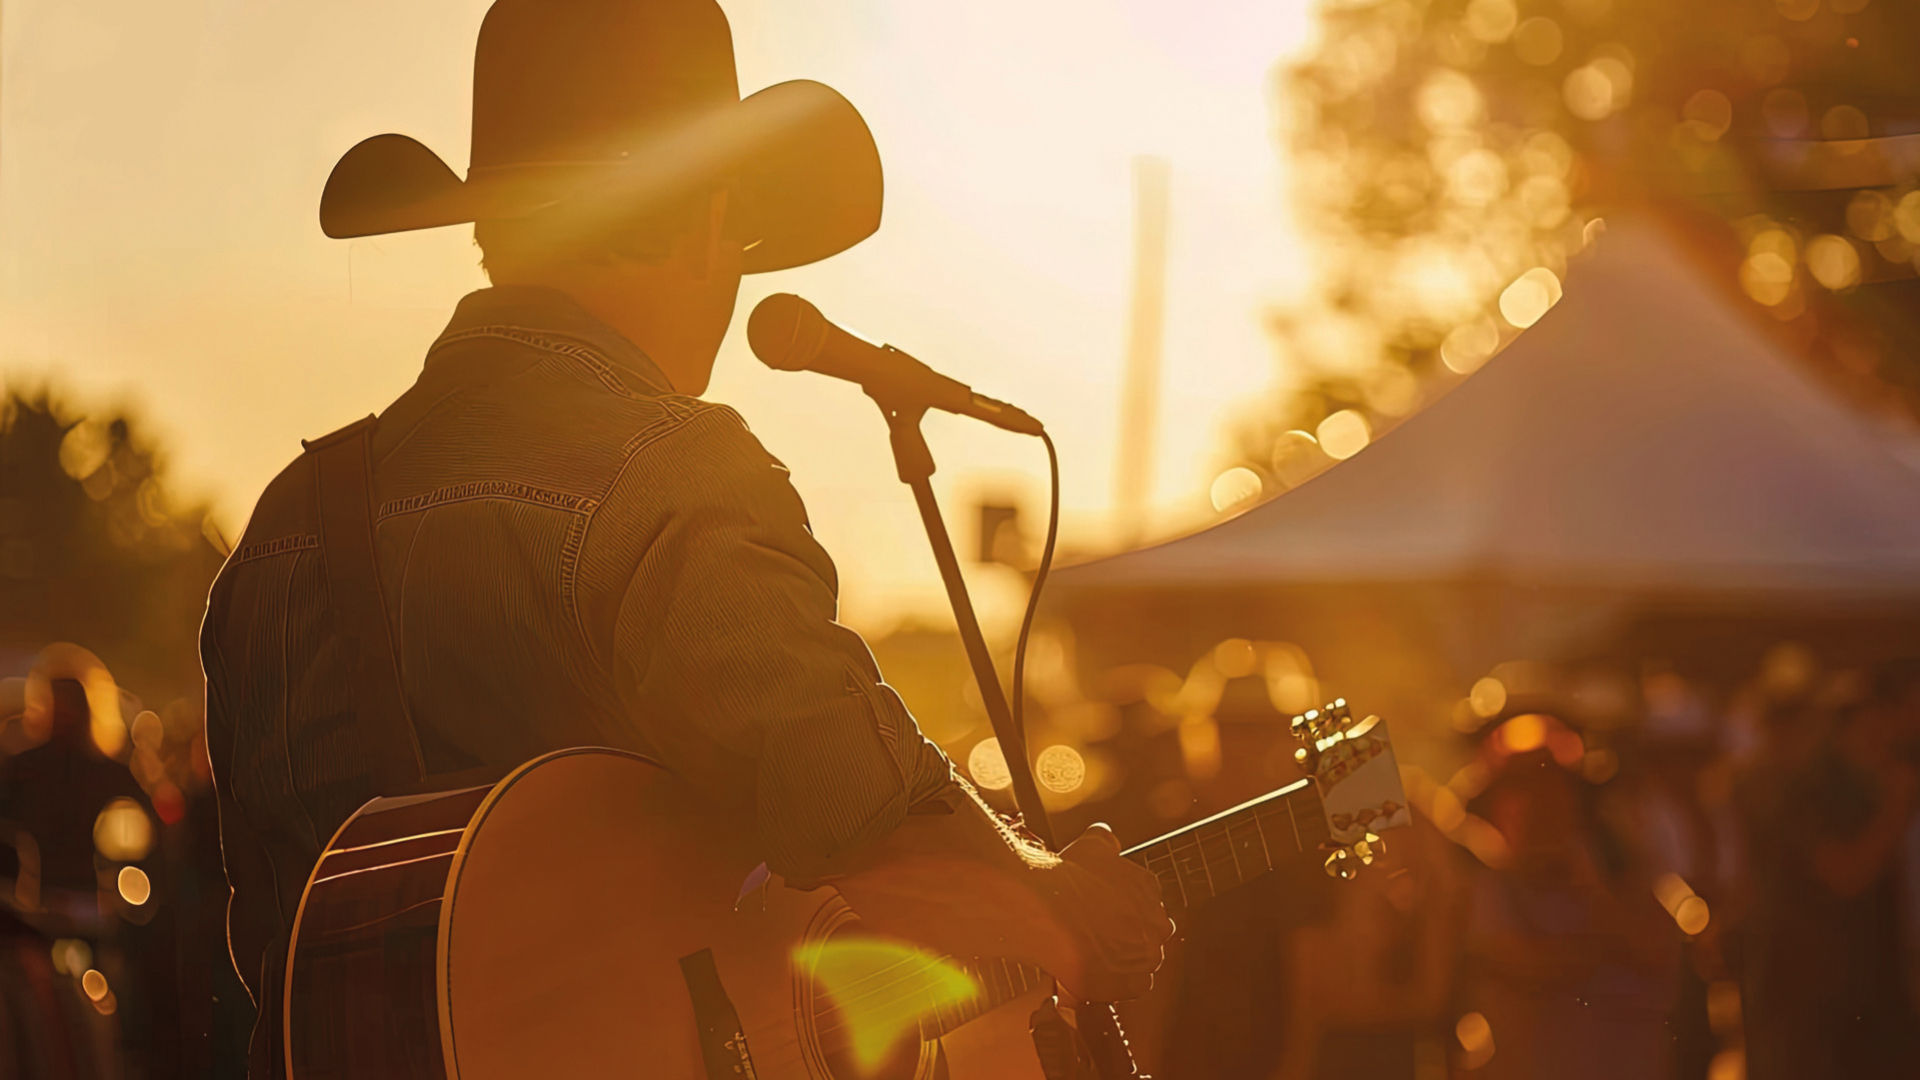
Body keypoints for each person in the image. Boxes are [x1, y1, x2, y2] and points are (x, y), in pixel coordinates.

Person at [198, 2, 1172, 1075]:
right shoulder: (667, 467)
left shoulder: (282, 533)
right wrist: (1052, 903)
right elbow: (864, 814)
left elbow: (276, 957)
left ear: (492, 229)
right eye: (742, 225)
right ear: (697, 218)